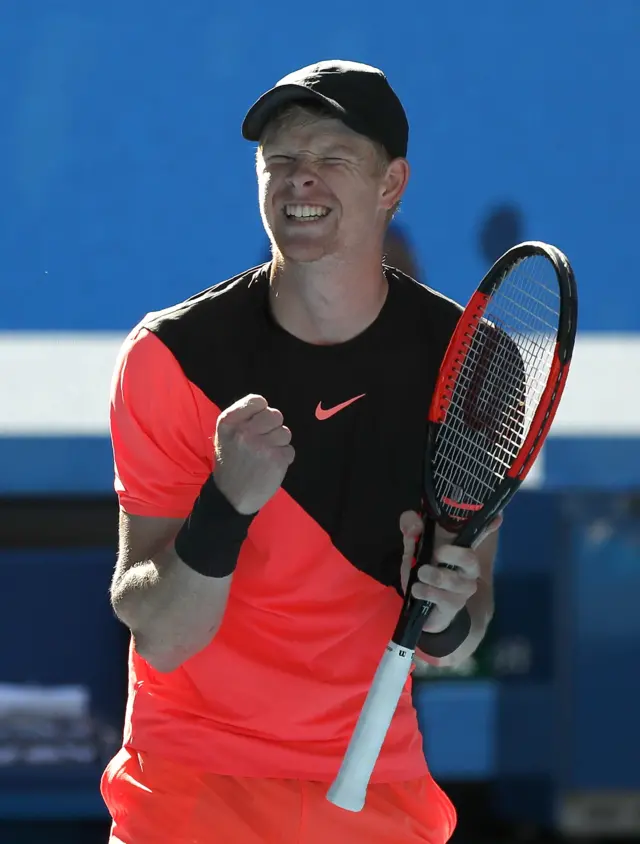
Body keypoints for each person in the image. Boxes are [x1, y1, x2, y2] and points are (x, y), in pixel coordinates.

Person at [102, 60, 501, 844]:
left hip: (372, 788)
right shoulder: (170, 357)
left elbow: (462, 630)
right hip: (188, 788)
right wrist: (226, 505)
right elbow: (162, 634)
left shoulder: (467, 366)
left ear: (391, 184)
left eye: (331, 159)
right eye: (279, 161)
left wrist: (447, 613)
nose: (299, 181)